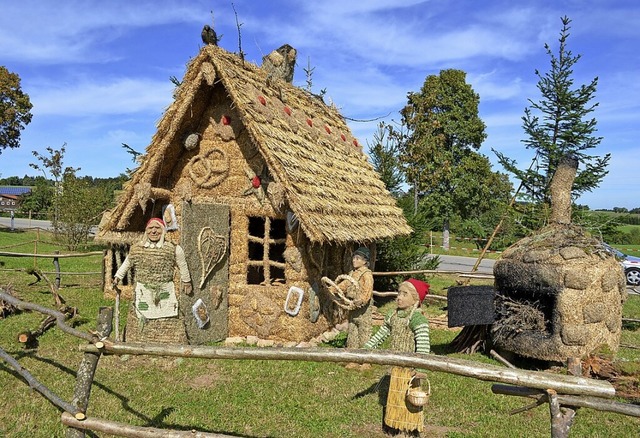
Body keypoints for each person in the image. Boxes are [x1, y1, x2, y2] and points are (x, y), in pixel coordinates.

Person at [364, 278, 431, 436]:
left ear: (415, 299)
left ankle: (409, 428)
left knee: (408, 398)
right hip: (395, 366)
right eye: (399, 293)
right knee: (393, 396)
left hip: (410, 368)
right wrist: (366, 349)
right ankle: (392, 425)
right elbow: (381, 334)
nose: (399, 297)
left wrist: (420, 367)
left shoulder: (416, 318)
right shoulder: (393, 315)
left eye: (405, 294)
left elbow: (423, 344)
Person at [112, 217, 192, 343]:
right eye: (150, 228)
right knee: (142, 314)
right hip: (144, 291)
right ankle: (138, 341)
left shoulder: (173, 248)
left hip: (164, 290)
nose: (153, 231)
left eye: (157, 228)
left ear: (163, 230)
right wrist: (117, 277)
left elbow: (182, 264)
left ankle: (169, 341)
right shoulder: (137, 248)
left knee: (166, 315)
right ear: (146, 230)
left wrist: (186, 280)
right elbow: (127, 263)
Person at [341, 246, 374, 349]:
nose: (354, 260)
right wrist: (334, 288)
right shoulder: (352, 273)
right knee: (352, 332)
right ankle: (353, 356)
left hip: (362, 309)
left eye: (357, 258)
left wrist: (361, 300)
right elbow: (345, 284)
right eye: (354, 258)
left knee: (363, 332)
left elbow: (367, 290)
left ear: (364, 261)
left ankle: (365, 359)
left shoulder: (366, 274)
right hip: (352, 307)